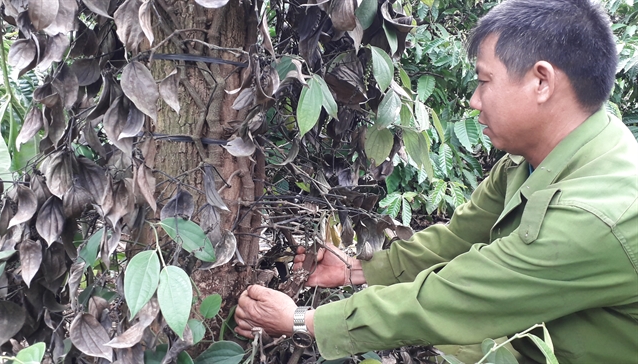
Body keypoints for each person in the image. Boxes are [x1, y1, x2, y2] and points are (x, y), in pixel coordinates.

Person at [234, 0, 638, 362]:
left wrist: (304, 321)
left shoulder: (596, 216)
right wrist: (354, 270)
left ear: (541, 82)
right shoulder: (535, 158)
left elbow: (458, 298)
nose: (473, 100)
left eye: (484, 81)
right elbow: (455, 239)